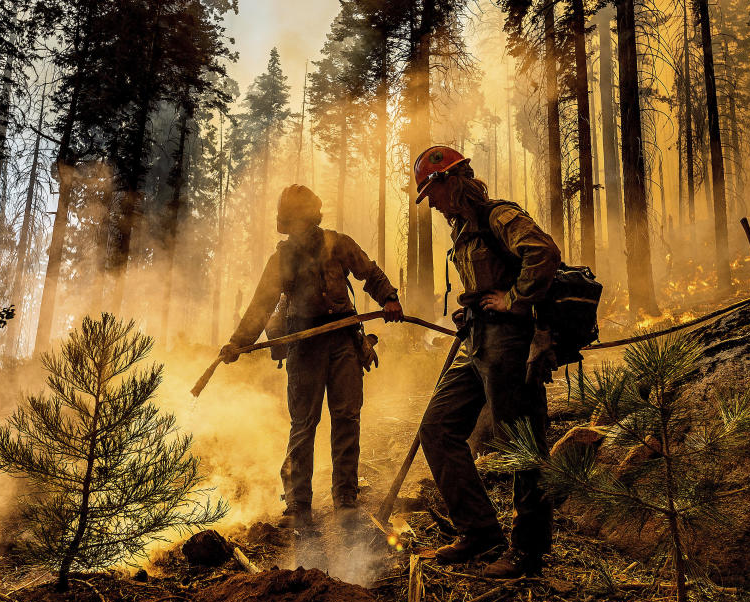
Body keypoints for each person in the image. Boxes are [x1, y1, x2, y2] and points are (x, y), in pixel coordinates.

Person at [218, 184, 403, 528]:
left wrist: (389, 298)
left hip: (345, 339)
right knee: (304, 424)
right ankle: (298, 504)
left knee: (346, 417)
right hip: (304, 344)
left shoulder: (339, 244)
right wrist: (238, 342)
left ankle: (345, 497)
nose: (301, 225)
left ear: (314, 216)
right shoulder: (282, 260)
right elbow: (261, 306)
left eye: (305, 218)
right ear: (286, 222)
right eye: (294, 220)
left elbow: (369, 272)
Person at [413, 145, 560, 577]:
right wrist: (473, 305)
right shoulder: (465, 228)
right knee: (437, 429)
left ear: (449, 181)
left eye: (432, 193)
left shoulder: (499, 215)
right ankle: (479, 533)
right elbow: (489, 277)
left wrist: (514, 301)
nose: (432, 204)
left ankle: (528, 552)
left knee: (521, 440)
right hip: (477, 338)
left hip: (509, 342)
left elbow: (543, 253)